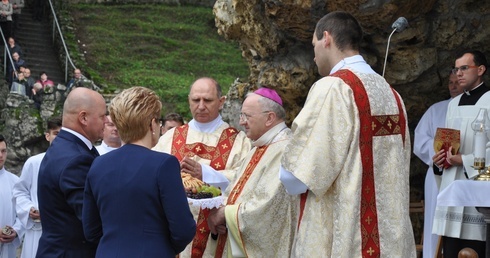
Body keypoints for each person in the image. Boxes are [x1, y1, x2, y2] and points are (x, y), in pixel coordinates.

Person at [279, 11, 415, 257]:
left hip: (348, 236)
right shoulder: (392, 94)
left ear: (326, 38)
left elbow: (298, 176)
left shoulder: (333, 88)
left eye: (314, 45)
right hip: (392, 241)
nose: (314, 55)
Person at [82, 86, 196, 257]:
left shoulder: (98, 164)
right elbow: (183, 229)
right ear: (152, 124)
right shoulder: (164, 164)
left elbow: (91, 230)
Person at [153, 77, 251, 258]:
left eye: (208, 100)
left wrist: (204, 173)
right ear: (189, 100)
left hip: (215, 232)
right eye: (196, 100)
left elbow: (246, 180)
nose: (201, 106)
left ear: (221, 102)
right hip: (171, 231)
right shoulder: (171, 137)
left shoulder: (238, 141)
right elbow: (151, 176)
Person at [207, 88, 299, 257]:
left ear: (269, 118)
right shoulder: (260, 146)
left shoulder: (285, 150)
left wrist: (225, 214)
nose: (241, 122)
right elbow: (237, 186)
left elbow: (267, 206)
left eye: (246, 116)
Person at [432, 50, 490, 258]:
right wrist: (441, 159)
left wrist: (463, 160)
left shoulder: (489, 100)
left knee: (475, 248)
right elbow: (449, 141)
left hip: (477, 186)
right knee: (452, 249)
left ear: (480, 70)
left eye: (464, 68)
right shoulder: (453, 104)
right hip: (452, 186)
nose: (458, 74)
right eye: (456, 70)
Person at [36, 87, 107, 258]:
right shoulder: (76, 159)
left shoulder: (65, 146)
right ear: (83, 117)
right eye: (102, 116)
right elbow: (91, 219)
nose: (106, 121)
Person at [413, 72, 464, 258]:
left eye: (457, 82)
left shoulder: (475, 109)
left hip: (461, 171)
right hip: (437, 172)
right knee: (435, 218)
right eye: (450, 82)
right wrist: (437, 153)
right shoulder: (436, 110)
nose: (452, 86)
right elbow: (419, 139)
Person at [13, 117, 62, 258]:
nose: (59, 139)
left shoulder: (73, 162)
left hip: (60, 230)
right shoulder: (33, 162)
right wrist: (29, 209)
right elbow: (20, 191)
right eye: (56, 134)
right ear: (48, 136)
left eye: (63, 134)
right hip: (36, 230)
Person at [0, 135, 24, 258]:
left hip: (7, 249)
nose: (0, 155)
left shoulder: (15, 182)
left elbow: (21, 214)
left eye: (3, 151)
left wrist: (15, 231)